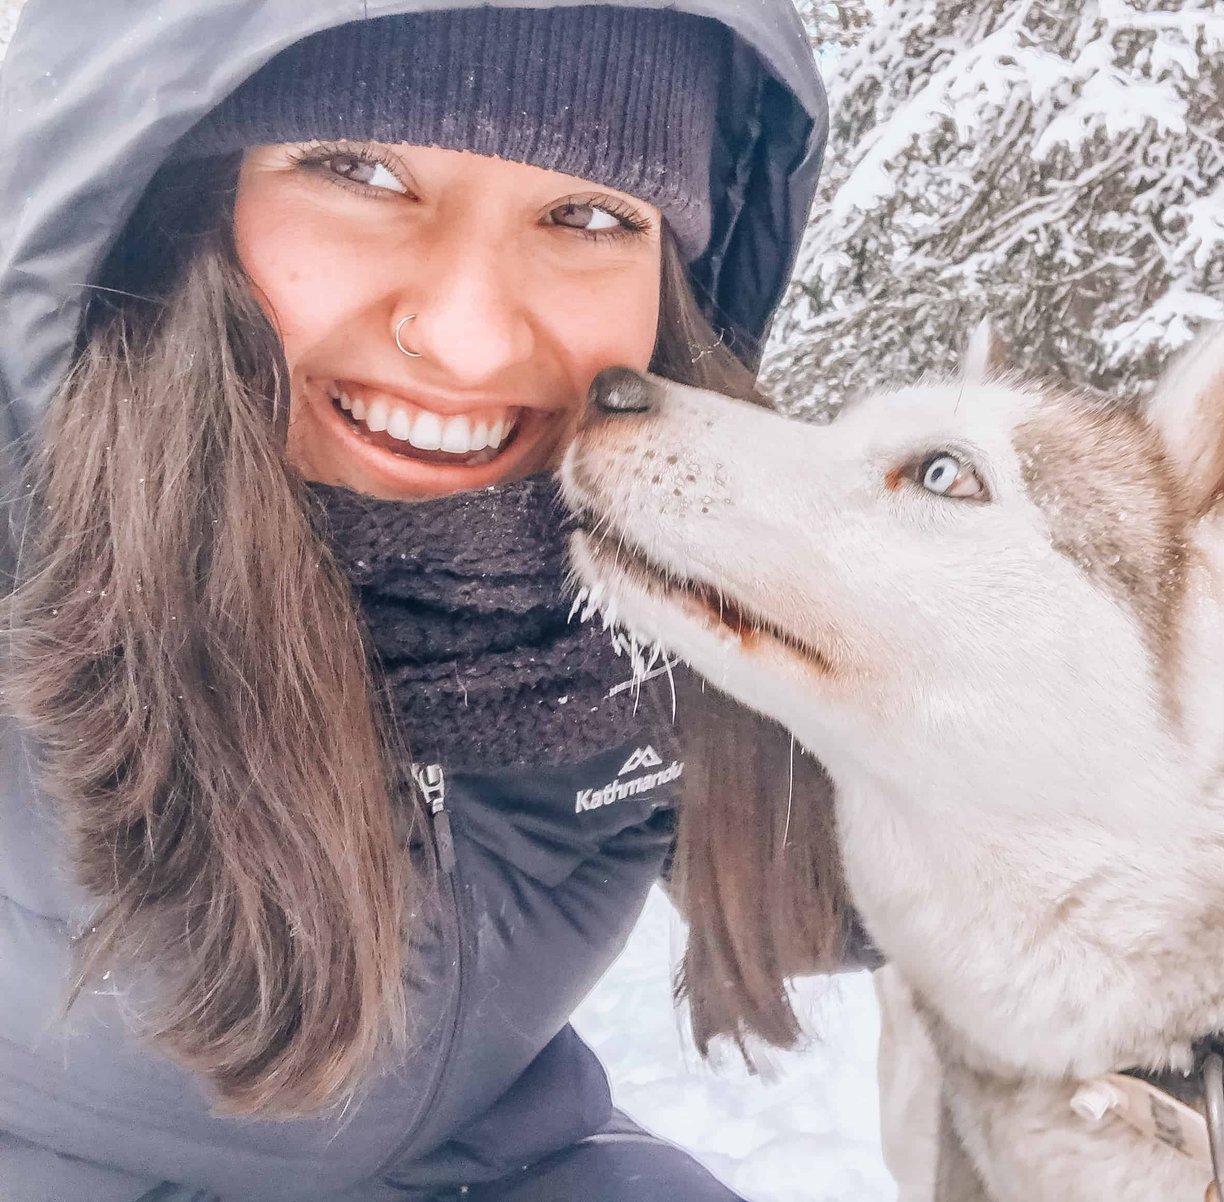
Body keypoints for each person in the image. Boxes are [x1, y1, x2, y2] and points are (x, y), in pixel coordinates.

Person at [0, 3, 850, 1198]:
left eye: (591, 214)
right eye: (359, 168)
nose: (463, 336)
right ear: (158, 198)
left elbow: (871, 850)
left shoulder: (620, 586)